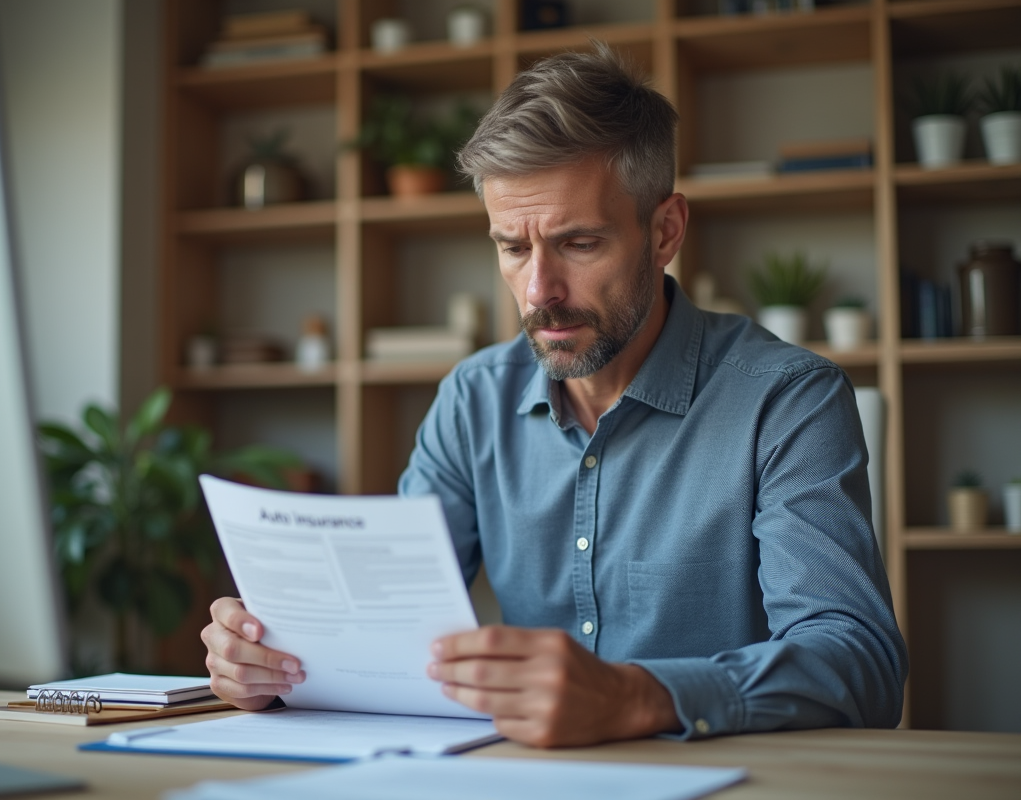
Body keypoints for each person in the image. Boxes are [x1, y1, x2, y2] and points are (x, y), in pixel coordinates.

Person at [201, 44, 908, 748]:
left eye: (579, 243)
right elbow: (381, 626)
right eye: (513, 247)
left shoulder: (788, 399)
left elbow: (861, 662)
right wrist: (270, 664)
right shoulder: (472, 401)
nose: (540, 292)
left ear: (664, 232)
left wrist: (639, 696)